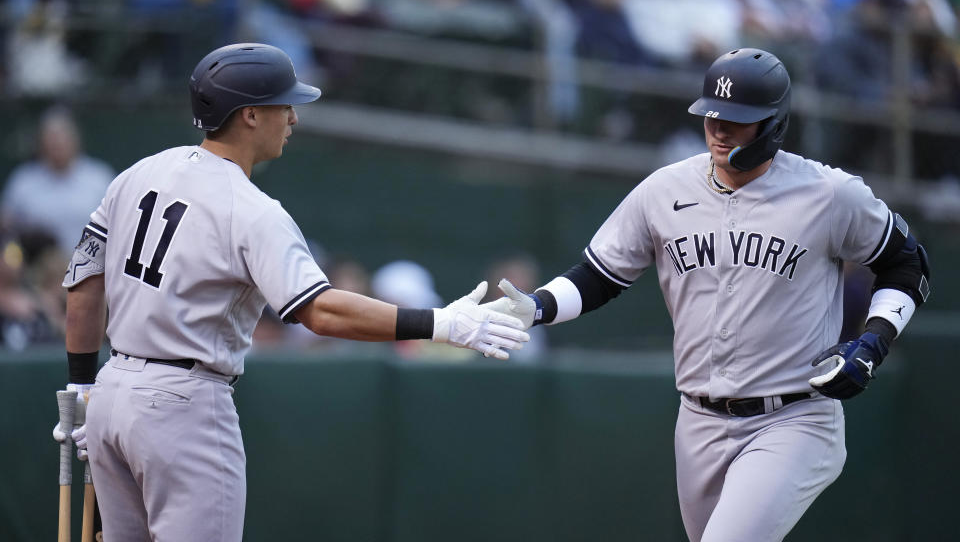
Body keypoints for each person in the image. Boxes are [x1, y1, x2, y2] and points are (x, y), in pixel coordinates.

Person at [50, 42, 529, 542]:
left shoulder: (137, 173)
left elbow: (83, 282)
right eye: (285, 104)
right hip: (183, 406)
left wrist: (84, 384)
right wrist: (441, 323)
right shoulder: (253, 210)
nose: (294, 118)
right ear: (250, 115)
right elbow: (320, 312)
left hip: (111, 394)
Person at [483, 48, 931, 542]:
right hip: (697, 420)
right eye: (712, 116)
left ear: (774, 125)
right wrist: (540, 305)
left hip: (793, 417)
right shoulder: (664, 189)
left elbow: (906, 264)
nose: (719, 130)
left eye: (738, 121)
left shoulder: (829, 193)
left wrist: (872, 343)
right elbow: (599, 275)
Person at [0, 105, 115, 255]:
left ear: (75, 139)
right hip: (36, 271)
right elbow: (6, 225)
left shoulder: (99, 177)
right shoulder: (24, 180)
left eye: (62, 136)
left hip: (92, 267)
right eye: (51, 138)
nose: (57, 143)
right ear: (41, 142)